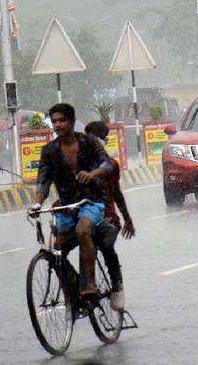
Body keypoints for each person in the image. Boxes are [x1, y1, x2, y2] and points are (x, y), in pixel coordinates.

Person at [33, 103, 113, 299]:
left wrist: (93, 173)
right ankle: (73, 288)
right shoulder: (49, 151)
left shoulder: (89, 142)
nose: (58, 125)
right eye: (55, 122)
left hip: (92, 201)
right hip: (67, 206)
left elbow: (107, 163)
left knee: (82, 230)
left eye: (62, 120)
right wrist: (37, 203)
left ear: (72, 121)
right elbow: (43, 179)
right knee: (56, 251)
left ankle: (89, 284)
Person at [85, 121, 136, 311]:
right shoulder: (76, 162)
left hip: (107, 217)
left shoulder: (110, 165)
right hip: (83, 215)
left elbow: (116, 193)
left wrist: (127, 219)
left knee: (106, 245)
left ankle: (117, 285)